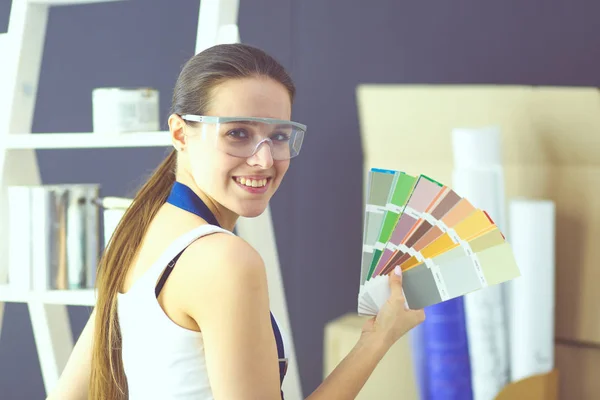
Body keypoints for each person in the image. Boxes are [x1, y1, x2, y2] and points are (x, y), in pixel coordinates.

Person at [46, 43, 425, 400]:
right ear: (180, 133)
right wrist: (377, 339)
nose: (264, 160)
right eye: (238, 134)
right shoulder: (224, 260)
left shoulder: (139, 230)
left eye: (278, 136)